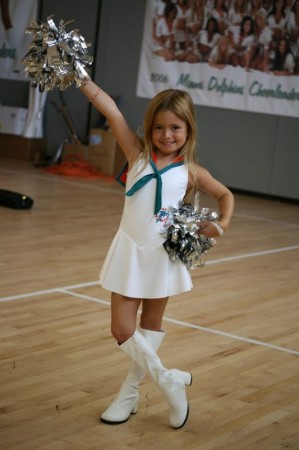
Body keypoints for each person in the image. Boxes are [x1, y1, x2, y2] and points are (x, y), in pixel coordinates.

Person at [78, 80, 234, 429]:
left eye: (175, 127)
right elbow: (111, 110)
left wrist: (221, 224)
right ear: (149, 129)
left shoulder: (191, 171)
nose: (166, 135)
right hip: (130, 251)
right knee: (122, 329)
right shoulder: (136, 153)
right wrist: (79, 77)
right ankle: (169, 382)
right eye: (159, 127)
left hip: (162, 258)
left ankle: (129, 393)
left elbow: (225, 196)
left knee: (149, 327)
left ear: (188, 129)